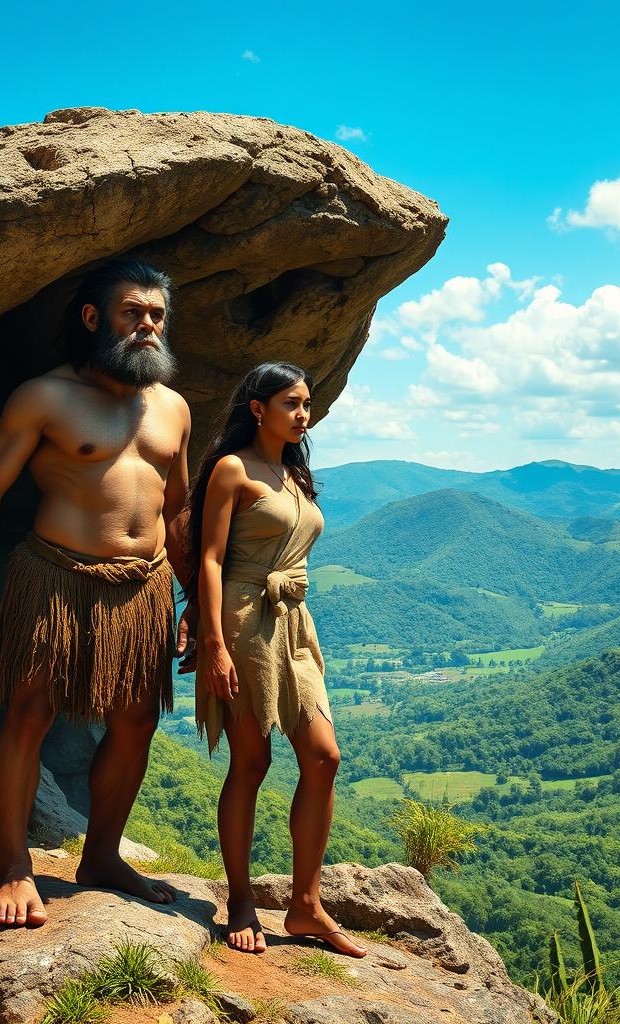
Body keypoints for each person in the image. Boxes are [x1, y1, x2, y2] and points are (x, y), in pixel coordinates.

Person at [0, 259, 195, 928]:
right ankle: (13, 865)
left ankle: (102, 856)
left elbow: (178, 510)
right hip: (54, 576)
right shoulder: (44, 397)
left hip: (146, 587)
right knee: (30, 711)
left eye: (157, 315)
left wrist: (194, 601)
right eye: (133, 312)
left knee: (137, 721)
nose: (147, 325)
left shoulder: (173, 406)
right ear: (94, 318)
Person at [187, 362, 366, 958]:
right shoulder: (233, 469)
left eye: (307, 404)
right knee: (252, 759)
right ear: (257, 408)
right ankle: (240, 898)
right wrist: (212, 643)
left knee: (323, 756)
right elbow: (209, 559)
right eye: (291, 403)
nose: (303, 414)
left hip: (294, 623)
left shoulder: (294, 473)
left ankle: (305, 905)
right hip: (244, 618)